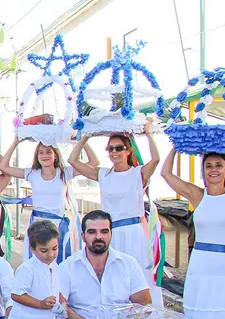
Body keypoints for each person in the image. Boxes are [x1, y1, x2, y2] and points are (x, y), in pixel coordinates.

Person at [69, 118, 162, 304]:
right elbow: (72, 160)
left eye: (118, 148)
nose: (114, 152)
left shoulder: (138, 174)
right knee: (112, 273)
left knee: (137, 273)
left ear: (128, 151)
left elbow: (156, 159)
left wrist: (149, 132)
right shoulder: (103, 174)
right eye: (110, 149)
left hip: (134, 231)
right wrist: (86, 135)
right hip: (110, 232)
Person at [55, 210, 152, 319]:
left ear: (111, 234)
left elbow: (144, 302)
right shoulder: (68, 266)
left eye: (104, 231)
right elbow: (60, 305)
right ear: (83, 235)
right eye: (92, 232)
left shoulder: (128, 264)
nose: (98, 237)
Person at [162, 150, 225, 319]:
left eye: (219, 165)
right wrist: (176, 147)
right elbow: (166, 174)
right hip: (201, 266)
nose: (214, 170)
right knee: (202, 316)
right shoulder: (198, 195)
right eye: (209, 166)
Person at [0, 138, 97, 263]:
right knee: (35, 264)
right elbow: (3, 167)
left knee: (58, 264)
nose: (44, 155)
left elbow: (94, 162)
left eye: (48, 152)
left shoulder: (65, 172)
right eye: (41, 152)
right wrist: (16, 142)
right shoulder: (32, 173)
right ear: (37, 156)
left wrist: (83, 139)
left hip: (57, 226)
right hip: (37, 225)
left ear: (55, 155)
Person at [10, 221, 68, 319]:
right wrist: (40, 304)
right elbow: (16, 294)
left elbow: (57, 290)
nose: (50, 254)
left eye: (54, 249)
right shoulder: (27, 269)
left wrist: (62, 305)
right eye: (44, 250)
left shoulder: (55, 267)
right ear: (32, 248)